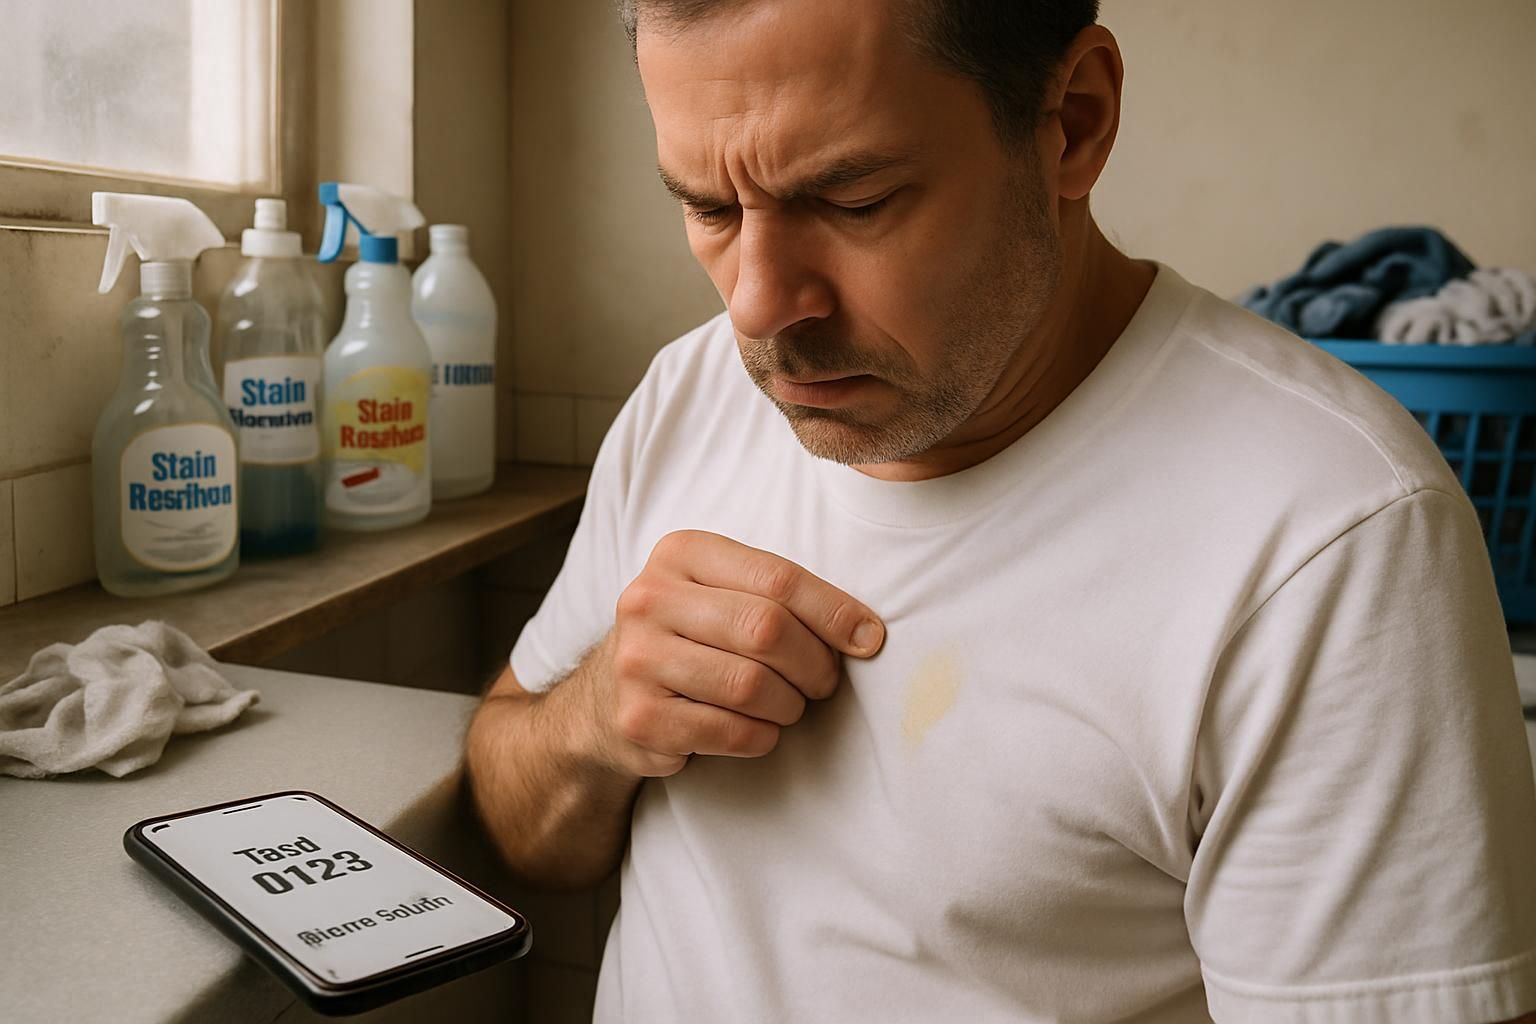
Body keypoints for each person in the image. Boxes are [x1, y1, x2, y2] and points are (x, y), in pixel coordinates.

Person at [465, 1, 1536, 1020]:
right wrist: (598, 715)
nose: (756, 304)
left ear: (1075, 122)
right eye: (708, 206)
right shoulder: (690, 395)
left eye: (853, 200)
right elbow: (516, 818)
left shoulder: (1332, 536)